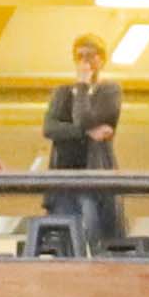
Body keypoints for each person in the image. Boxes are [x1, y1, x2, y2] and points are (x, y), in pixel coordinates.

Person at [34, 32, 128, 255]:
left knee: (97, 239)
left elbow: (83, 118)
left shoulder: (110, 91)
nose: (85, 61)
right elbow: (50, 128)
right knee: (66, 242)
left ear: (101, 60)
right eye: (80, 56)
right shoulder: (62, 92)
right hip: (64, 180)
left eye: (90, 56)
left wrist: (83, 86)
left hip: (95, 179)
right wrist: (86, 133)